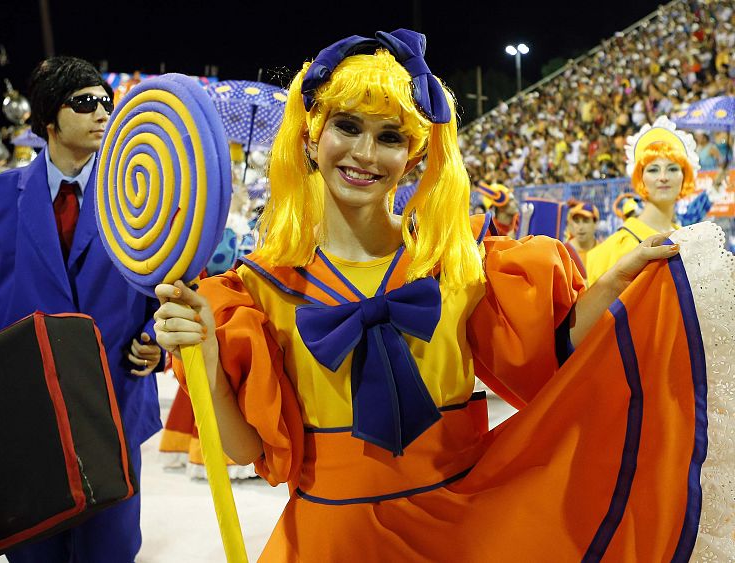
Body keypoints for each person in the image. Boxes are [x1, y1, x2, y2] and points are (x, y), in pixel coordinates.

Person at [155, 31, 730, 561]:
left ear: (415, 153)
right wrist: (204, 360)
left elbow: (553, 366)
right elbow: (245, 448)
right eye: (347, 126)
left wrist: (610, 283)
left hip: (464, 531)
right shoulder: (256, 290)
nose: (365, 152)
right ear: (312, 132)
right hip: (330, 543)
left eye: (389, 137)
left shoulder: (459, 266)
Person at [0, 56, 163, 562]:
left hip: (112, 403)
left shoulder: (137, 197)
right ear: (49, 119)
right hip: (27, 407)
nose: (102, 113)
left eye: (105, 102)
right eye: (85, 103)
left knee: (110, 550)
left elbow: (164, 290)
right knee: (34, 552)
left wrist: (157, 342)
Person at [586, 116, 698, 285]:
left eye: (672, 168)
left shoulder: (689, 239)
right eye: (653, 169)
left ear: (684, 176)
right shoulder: (616, 248)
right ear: (641, 178)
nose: (663, 177)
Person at [564, 201, 600, 277]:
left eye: (585, 221)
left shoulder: (603, 251)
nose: (581, 227)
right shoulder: (564, 252)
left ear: (595, 224)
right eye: (576, 221)